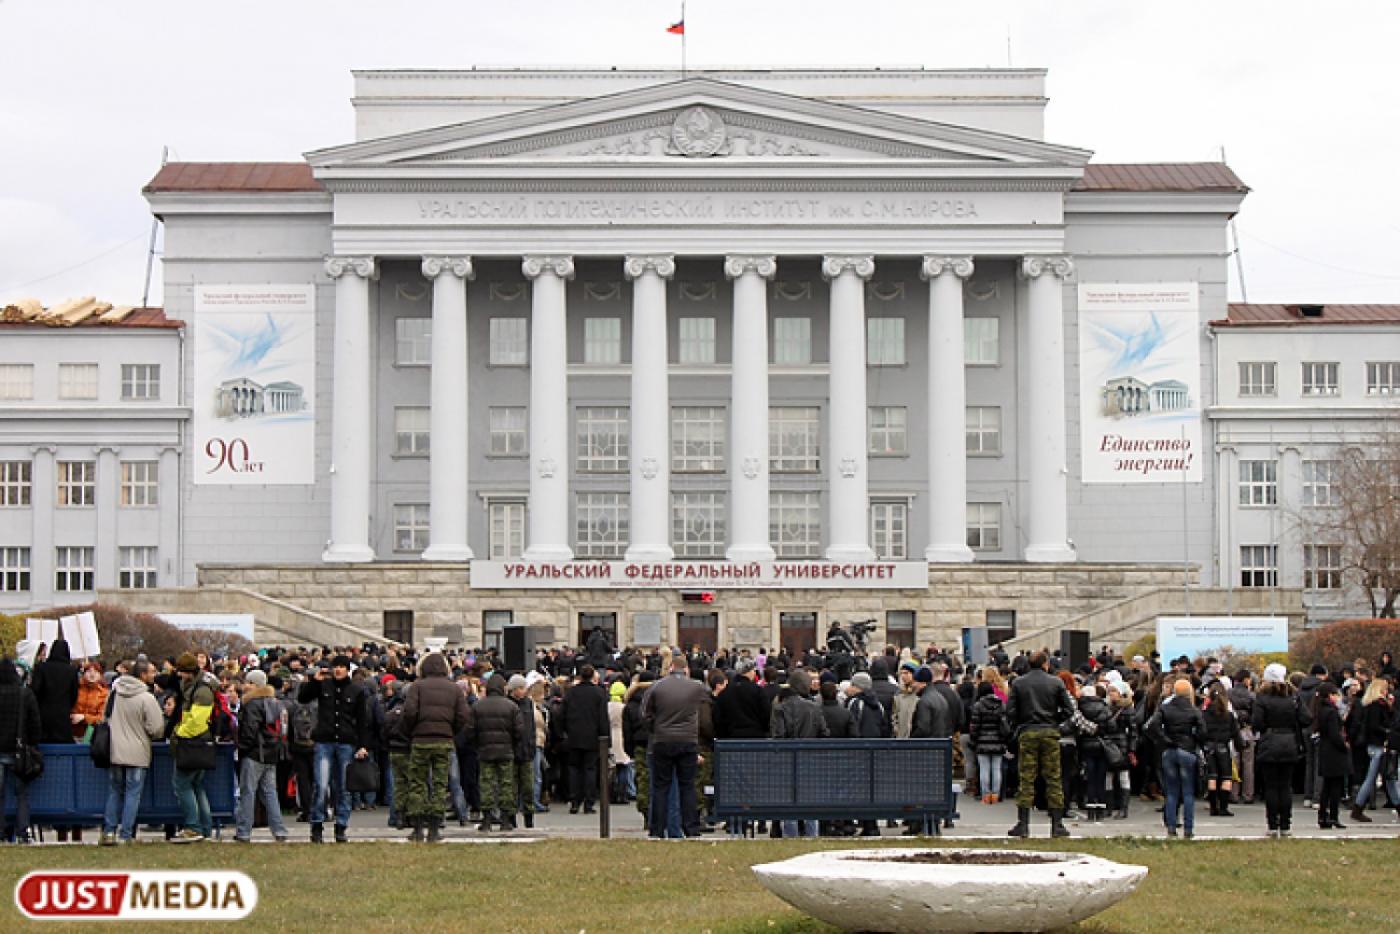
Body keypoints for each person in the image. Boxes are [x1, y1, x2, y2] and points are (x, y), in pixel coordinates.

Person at [297, 655, 373, 843]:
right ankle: (317, 824)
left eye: (341, 667)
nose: (338, 670)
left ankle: (341, 826)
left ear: (347, 670)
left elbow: (363, 721)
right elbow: (303, 697)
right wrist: (315, 681)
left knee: (344, 787)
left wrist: (363, 745)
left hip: (346, 742)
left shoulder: (357, 690)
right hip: (325, 741)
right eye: (335, 667)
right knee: (321, 785)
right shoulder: (323, 686)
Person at [401, 652, 471, 842]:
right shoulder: (454, 689)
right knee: (440, 784)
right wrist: (450, 730)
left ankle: (417, 828)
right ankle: (434, 828)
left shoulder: (417, 687)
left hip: (420, 740)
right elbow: (464, 716)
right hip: (444, 740)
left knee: (417, 783)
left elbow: (409, 712)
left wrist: (412, 730)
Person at [1004, 651, 1075, 839]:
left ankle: (1023, 823)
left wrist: (1022, 722)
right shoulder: (1056, 682)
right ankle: (1057, 824)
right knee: (1053, 777)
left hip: (1028, 732)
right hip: (1050, 732)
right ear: (1045, 664)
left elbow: (1010, 711)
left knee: (1026, 777)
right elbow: (1069, 710)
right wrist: (1053, 720)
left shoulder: (1019, 683)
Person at [642, 654, 710, 839]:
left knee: (661, 787)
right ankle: (691, 828)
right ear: (686, 668)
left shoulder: (657, 686)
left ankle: (657, 829)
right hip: (688, 740)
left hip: (663, 740)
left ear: (671, 667)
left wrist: (655, 729)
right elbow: (709, 702)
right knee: (687, 785)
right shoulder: (696, 687)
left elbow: (645, 713)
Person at [100, 660, 165, 846]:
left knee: (114, 791)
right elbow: (156, 728)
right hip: (137, 751)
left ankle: (109, 831)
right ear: (143, 675)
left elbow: (105, 716)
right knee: (132, 794)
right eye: (152, 672)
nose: (155, 675)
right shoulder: (146, 698)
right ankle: (126, 834)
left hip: (114, 750)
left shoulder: (115, 693)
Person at [769, 669, 829, 838]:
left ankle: (791, 835)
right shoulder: (814, 707)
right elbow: (824, 733)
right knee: (810, 800)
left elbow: (778, 737)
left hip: (788, 761)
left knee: (789, 801)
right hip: (810, 759)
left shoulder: (780, 707)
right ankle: (811, 835)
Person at [234, 670, 289, 843]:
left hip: (254, 753)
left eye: (248, 683)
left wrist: (241, 748)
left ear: (255, 685)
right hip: (272, 753)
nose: (245, 686)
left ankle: (243, 831)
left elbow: (249, 730)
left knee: (248, 792)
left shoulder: (252, 704)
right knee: (270, 792)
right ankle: (279, 830)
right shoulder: (277, 703)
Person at [1148, 678, 1206, 839]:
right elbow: (1203, 732)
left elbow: (1152, 725)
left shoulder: (1165, 708)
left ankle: (1171, 827)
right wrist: (1194, 739)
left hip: (1170, 750)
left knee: (1171, 792)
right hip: (1187, 750)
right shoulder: (1194, 710)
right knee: (1188, 792)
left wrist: (1164, 739)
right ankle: (1188, 828)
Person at [170, 652, 219, 843]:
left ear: (188, 671)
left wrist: (179, 733)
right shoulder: (198, 685)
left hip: (193, 742)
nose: (179, 676)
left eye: (181, 672)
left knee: (182, 784)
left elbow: (198, 721)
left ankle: (193, 827)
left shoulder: (202, 690)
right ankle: (204, 829)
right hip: (200, 743)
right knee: (197, 786)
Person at [1251, 663, 1305, 836]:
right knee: (1285, 785)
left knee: (1271, 786)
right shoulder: (1293, 697)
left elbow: (1257, 723)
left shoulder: (1262, 698)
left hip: (1269, 741)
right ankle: (1286, 824)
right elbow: (1307, 718)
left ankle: (1272, 824)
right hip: (1289, 742)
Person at [466, 673, 524, 832]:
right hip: (506, 751)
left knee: (486, 784)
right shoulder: (512, 706)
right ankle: (505, 819)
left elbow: (469, 731)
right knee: (506, 784)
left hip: (485, 751)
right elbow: (519, 731)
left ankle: (486, 819)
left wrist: (478, 745)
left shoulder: (478, 706)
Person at [0, 658, 41, 844]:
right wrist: (32, 743)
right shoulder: (25, 694)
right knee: (21, 794)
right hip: (19, 749)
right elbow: (34, 724)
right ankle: (23, 831)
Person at [560, 664, 610, 815]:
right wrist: (606, 738)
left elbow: (562, 714)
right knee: (590, 769)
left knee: (574, 769)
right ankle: (589, 803)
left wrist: (563, 732)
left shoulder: (571, 693)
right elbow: (603, 718)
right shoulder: (599, 693)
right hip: (592, 736)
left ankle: (574, 801)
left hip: (574, 736)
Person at [1349, 676, 1396, 823]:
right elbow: (1374, 726)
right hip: (1378, 745)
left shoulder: (1371, 704)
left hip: (1375, 745)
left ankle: (1358, 808)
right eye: (1385, 688)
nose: (1387, 690)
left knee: (1387, 779)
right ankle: (1357, 808)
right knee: (1379, 778)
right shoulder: (1376, 705)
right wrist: (1388, 732)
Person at [1201, 682, 1241, 818]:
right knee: (1226, 777)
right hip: (1224, 747)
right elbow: (1236, 733)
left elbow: (1200, 732)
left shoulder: (1204, 714)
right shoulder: (1229, 715)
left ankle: (1213, 807)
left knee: (1212, 776)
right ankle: (1223, 807)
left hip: (1209, 748)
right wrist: (1240, 746)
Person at [1313, 682, 1349, 829]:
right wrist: (1344, 745)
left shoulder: (1320, 710)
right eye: (1335, 694)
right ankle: (1333, 816)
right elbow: (1335, 734)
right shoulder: (1332, 712)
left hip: (1325, 749)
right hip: (1334, 752)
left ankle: (1323, 815)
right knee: (1335, 786)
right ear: (1330, 695)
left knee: (1327, 786)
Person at [508, 675, 540, 828]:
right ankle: (511, 817)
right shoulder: (508, 704)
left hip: (527, 750)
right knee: (512, 788)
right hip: (512, 751)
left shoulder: (528, 703)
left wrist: (532, 744)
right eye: (521, 688)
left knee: (528, 787)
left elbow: (531, 727)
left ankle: (529, 816)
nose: (524, 691)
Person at [968, 681, 1007, 805]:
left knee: (984, 769)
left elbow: (974, 726)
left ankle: (985, 795)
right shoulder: (1001, 704)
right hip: (998, 741)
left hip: (982, 742)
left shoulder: (978, 705)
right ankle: (995, 795)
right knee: (996, 769)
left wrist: (973, 740)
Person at [73, 663, 110, 741]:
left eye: (96, 672)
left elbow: (102, 718)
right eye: (89, 671)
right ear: (84, 673)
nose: (92, 674)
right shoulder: (75, 689)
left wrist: (84, 717)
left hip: (93, 735)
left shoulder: (104, 693)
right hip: (72, 733)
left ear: (100, 675)